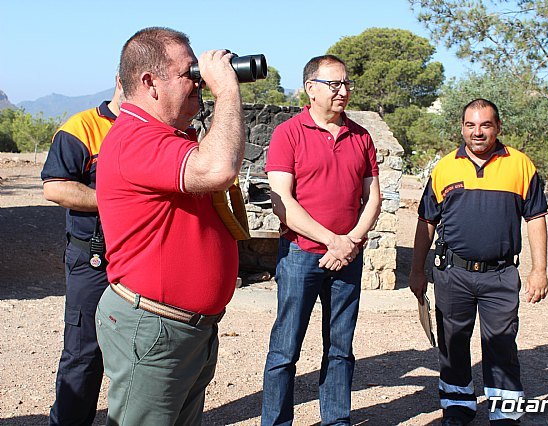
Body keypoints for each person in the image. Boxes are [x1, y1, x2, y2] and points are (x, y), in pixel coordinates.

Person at [94, 27, 246, 425]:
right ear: (150, 83)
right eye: (189, 73)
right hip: (155, 328)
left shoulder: (169, 135)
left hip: (183, 328)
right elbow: (219, 168)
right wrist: (227, 91)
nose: (199, 81)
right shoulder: (136, 138)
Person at [409, 99, 548, 426]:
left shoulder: (521, 165)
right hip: (452, 274)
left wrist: (539, 270)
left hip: (500, 275)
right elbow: (426, 221)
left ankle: (505, 413)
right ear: (461, 128)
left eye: (485, 125)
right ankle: (458, 408)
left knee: (501, 345)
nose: (478, 132)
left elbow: (536, 218)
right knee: (452, 344)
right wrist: (416, 270)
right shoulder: (445, 167)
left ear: (498, 127)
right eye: (470, 125)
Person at [261, 54, 381, 426]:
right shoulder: (288, 133)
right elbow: (282, 202)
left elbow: (373, 198)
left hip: (348, 259)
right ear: (310, 89)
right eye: (334, 84)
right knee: (285, 350)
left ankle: (336, 420)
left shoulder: (361, 136)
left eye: (346, 84)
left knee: (341, 350)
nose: (343, 91)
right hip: (301, 255)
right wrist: (334, 241)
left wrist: (351, 243)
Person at [41, 79, 123, 426]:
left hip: (142, 261)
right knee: (84, 355)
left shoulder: (159, 129)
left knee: (139, 355)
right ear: (122, 79)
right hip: (93, 261)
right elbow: (55, 188)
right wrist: (119, 203)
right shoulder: (82, 127)